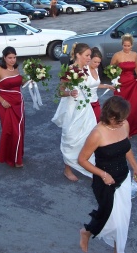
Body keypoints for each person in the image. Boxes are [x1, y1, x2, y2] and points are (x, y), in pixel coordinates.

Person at [78, 96, 137, 253]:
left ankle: (117, 250)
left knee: (122, 220)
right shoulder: (97, 134)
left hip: (124, 177)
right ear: (111, 116)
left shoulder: (124, 124)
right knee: (108, 216)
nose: (123, 122)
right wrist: (103, 174)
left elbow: (125, 147)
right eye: (119, 120)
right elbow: (82, 160)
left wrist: (135, 167)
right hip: (105, 182)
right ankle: (86, 232)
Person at [51, 43, 97, 182]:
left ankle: (88, 164)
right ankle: (68, 168)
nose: (89, 58)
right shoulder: (70, 70)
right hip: (72, 109)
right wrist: (70, 92)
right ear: (78, 55)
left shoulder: (87, 69)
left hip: (86, 108)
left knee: (89, 136)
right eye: (87, 55)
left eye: (90, 55)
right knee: (71, 138)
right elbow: (60, 91)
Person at [0, 46, 28, 168]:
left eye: (14, 57)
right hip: (6, 104)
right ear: (4, 58)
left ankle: (17, 156)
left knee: (19, 131)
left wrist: (33, 78)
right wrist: (2, 101)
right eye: (9, 58)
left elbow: (21, 83)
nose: (12, 60)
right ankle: (11, 158)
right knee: (10, 131)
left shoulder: (16, 69)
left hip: (18, 103)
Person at [110, 34, 137, 137]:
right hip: (121, 84)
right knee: (119, 107)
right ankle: (119, 130)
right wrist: (114, 80)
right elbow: (110, 69)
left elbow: (136, 67)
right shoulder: (117, 55)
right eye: (125, 45)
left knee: (133, 106)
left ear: (132, 45)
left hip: (133, 84)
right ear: (122, 45)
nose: (126, 47)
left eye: (128, 45)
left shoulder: (134, 55)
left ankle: (132, 130)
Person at [87, 47, 115, 123]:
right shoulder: (83, 70)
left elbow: (95, 85)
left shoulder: (96, 69)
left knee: (98, 121)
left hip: (95, 101)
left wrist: (107, 86)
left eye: (99, 62)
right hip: (86, 103)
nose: (97, 64)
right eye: (95, 62)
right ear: (89, 59)